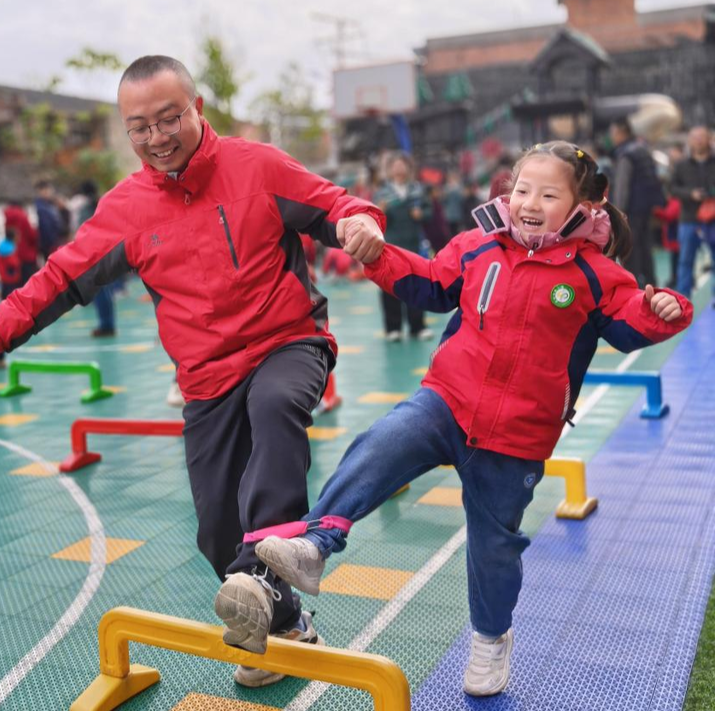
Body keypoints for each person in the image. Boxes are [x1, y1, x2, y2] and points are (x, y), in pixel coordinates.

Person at [0, 54, 386, 687]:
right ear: (125, 132)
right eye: (140, 127)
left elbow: (338, 206)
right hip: (206, 378)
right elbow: (59, 278)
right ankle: (287, 621)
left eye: (169, 118)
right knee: (215, 530)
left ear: (198, 110)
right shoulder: (126, 208)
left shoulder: (257, 166)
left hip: (287, 341)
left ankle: (264, 577)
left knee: (274, 413)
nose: (157, 138)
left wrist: (360, 222)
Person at [251, 141, 693, 697]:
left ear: (585, 206)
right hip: (448, 399)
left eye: (549, 194)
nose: (530, 202)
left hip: (518, 435)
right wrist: (378, 254)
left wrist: (662, 311)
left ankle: (490, 641)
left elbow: (632, 324)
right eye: (523, 189)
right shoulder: (479, 246)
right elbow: (430, 283)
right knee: (385, 439)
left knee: (494, 547)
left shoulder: (595, 274)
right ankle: (317, 542)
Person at [374, 152, 433, 341]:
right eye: (395, 165)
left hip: (413, 244)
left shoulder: (417, 190)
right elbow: (373, 218)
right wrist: (380, 211)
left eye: (402, 165)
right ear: (390, 170)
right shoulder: (382, 193)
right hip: (390, 245)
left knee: (416, 284)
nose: (399, 168)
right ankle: (393, 328)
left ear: (408, 168)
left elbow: (430, 212)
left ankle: (418, 326)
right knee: (390, 285)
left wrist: (421, 214)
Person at [610, 118, 666, 287]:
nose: (611, 137)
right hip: (645, 209)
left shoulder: (626, 153)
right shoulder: (643, 149)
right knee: (645, 248)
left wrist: (618, 212)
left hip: (630, 211)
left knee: (630, 250)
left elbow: (622, 185)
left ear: (621, 132)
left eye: (613, 133)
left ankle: (634, 287)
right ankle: (652, 284)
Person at [669, 125, 715, 299]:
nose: (699, 140)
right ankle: (683, 298)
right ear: (689, 141)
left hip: (713, 217)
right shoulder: (681, 165)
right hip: (689, 218)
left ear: (709, 139)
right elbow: (672, 188)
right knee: (685, 260)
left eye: (702, 137)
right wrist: (690, 194)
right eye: (695, 137)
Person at [76, 181, 116, 338]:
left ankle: (106, 325)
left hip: (93, 253)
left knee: (99, 291)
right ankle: (108, 323)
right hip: (108, 250)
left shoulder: (86, 208)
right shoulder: (105, 201)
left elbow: (84, 231)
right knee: (105, 290)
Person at [3, 200, 39, 284]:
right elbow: (32, 236)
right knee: (29, 283)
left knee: (17, 284)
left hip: (13, 254)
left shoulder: (7, 218)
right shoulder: (23, 216)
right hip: (27, 255)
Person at [34, 180, 66, 259]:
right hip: (49, 244)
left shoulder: (49, 205)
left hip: (55, 242)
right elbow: (46, 227)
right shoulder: (41, 208)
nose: (50, 193)